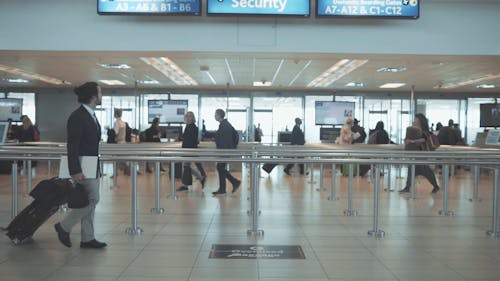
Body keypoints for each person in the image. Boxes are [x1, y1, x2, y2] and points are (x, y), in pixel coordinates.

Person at [54, 81, 107, 249]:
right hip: (83, 166)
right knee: (93, 199)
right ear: (93, 96)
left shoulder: (90, 114)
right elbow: (72, 145)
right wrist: (75, 170)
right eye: (100, 93)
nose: (101, 96)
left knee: (88, 200)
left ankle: (87, 238)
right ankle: (64, 226)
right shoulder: (78, 116)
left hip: (92, 165)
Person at [399, 113, 440, 194]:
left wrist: (412, 141)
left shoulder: (424, 130)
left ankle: (435, 186)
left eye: (416, 119)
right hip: (414, 153)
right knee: (412, 169)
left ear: (420, 120)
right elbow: (407, 138)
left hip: (420, 153)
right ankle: (408, 187)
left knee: (425, 170)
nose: (414, 120)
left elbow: (424, 139)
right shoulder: (413, 128)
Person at [212, 109, 241, 196]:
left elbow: (223, 139)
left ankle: (233, 182)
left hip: (224, 150)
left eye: (215, 114)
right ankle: (224, 188)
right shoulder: (225, 124)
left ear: (219, 115)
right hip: (225, 150)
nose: (214, 116)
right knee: (221, 168)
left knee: (220, 167)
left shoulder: (224, 125)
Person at [177, 111, 207, 191]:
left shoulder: (193, 127)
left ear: (192, 118)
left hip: (189, 150)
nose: (188, 118)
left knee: (186, 167)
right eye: (186, 116)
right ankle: (201, 178)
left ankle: (185, 185)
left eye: (189, 116)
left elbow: (192, 140)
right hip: (187, 149)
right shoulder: (188, 126)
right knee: (187, 167)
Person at [113, 108, 130, 175]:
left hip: (118, 142)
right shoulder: (123, 123)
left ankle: (115, 173)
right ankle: (127, 170)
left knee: (115, 158)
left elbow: (116, 132)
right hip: (123, 142)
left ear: (116, 114)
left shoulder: (116, 123)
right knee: (124, 157)